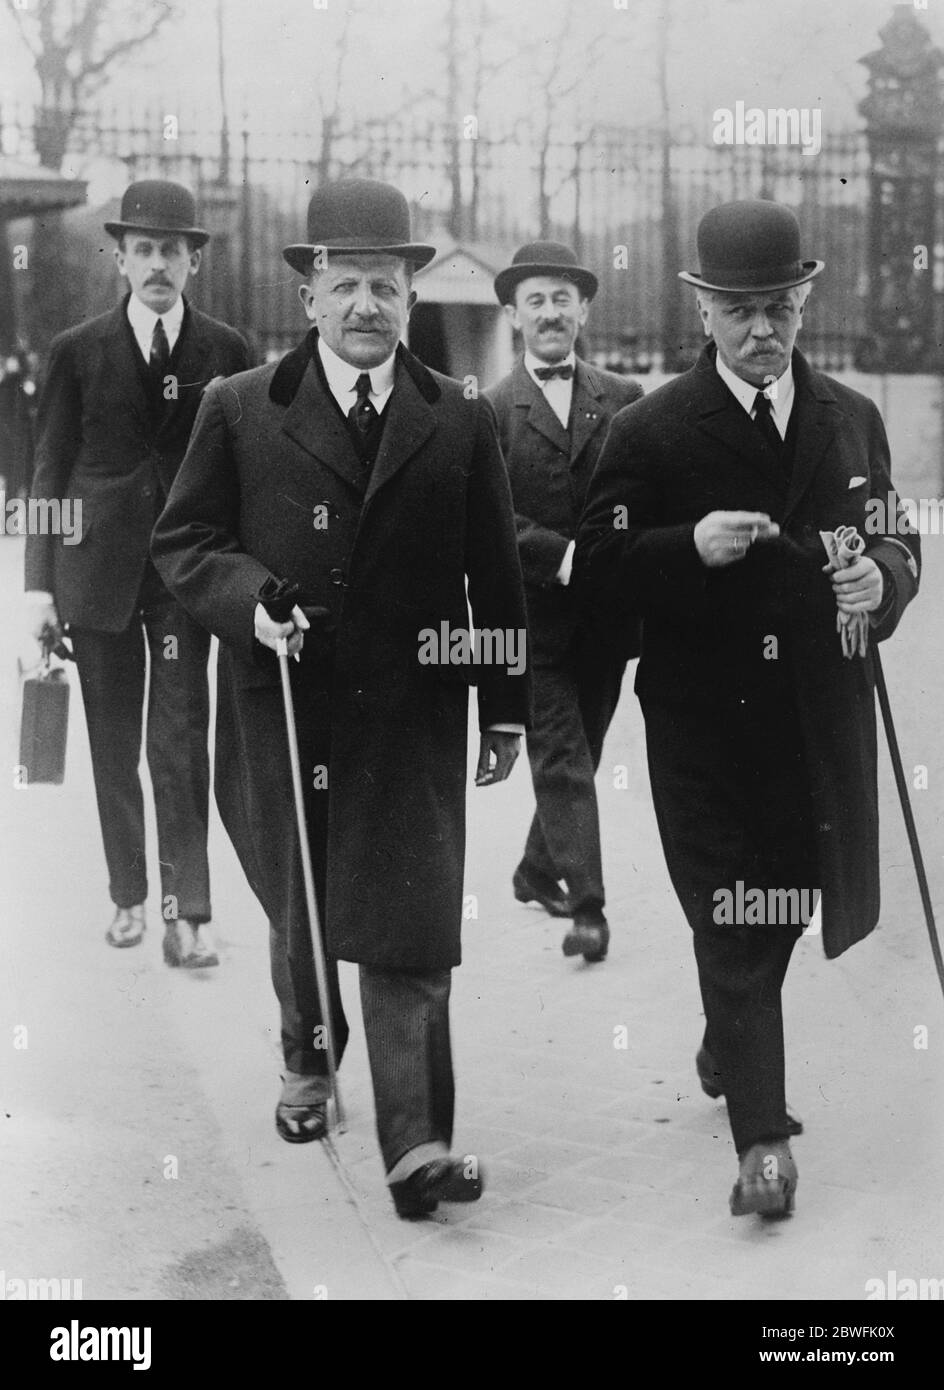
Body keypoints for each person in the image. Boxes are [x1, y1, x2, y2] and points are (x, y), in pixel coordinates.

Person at [151, 178, 530, 1218]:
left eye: (386, 285)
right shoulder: (241, 407)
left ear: (411, 297)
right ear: (309, 294)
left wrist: (500, 703)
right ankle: (309, 1057)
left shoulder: (455, 416)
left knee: (409, 920)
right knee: (305, 903)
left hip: (412, 709)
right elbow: (185, 541)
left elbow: (493, 572)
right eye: (347, 283)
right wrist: (250, 604)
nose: (367, 304)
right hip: (284, 700)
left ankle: (418, 1145)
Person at [575, 200, 920, 1217]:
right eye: (737, 310)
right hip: (700, 728)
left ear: (801, 302)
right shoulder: (647, 429)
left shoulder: (850, 417)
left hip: (816, 723)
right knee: (729, 917)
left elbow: (889, 536)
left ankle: (729, 1031)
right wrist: (685, 547)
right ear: (702, 312)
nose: (758, 329)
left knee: (779, 907)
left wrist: (884, 584)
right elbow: (593, 567)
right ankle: (761, 1145)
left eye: (775, 307)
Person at [24, 180, 249, 967]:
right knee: (112, 744)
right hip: (95, 578)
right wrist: (37, 591)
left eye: (173, 250)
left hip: (187, 577)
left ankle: (187, 914)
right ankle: (126, 895)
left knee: (180, 741)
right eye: (144, 249)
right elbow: (47, 476)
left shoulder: (229, 352)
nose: (158, 264)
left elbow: (244, 473)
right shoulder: (75, 351)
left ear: (195, 260)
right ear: (121, 257)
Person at [486, 242, 642, 963]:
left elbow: (642, 496)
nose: (550, 313)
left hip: (609, 620)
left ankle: (533, 870)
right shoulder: (490, 412)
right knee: (563, 760)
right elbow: (490, 525)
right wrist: (567, 556)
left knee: (588, 741)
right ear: (514, 316)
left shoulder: (624, 399)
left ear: (583, 310)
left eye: (562, 299)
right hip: (535, 625)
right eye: (536, 301)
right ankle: (589, 906)